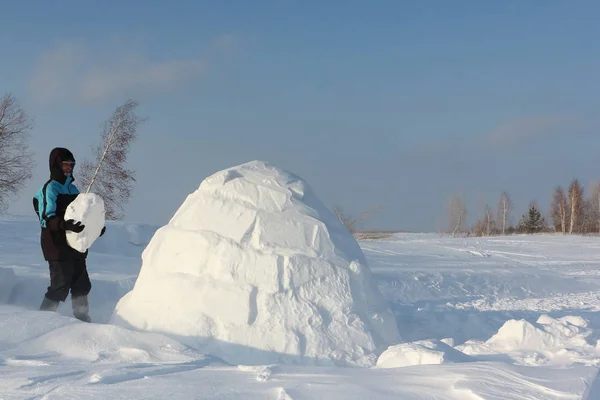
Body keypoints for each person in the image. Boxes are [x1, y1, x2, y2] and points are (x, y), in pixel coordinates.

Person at [32, 147, 105, 322]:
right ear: (56, 165)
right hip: (56, 244)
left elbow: (83, 216)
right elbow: (45, 219)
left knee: (82, 283)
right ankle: (42, 321)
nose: (69, 168)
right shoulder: (49, 189)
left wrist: (95, 228)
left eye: (71, 165)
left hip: (75, 244)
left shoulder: (74, 190)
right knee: (60, 285)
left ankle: (81, 317)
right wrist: (64, 225)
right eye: (65, 164)